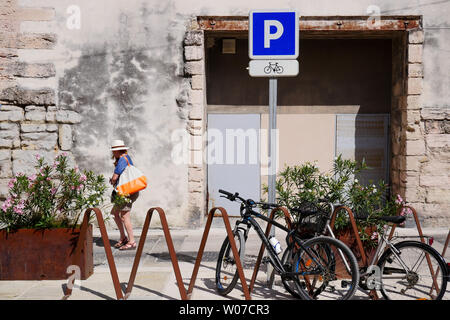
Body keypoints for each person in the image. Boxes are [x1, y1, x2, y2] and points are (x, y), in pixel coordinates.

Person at [109, 139, 139, 250]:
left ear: (118, 151)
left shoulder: (122, 160)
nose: (112, 153)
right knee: (115, 213)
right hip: (126, 192)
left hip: (126, 193)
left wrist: (112, 180)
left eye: (113, 150)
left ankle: (132, 242)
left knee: (125, 217)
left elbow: (115, 177)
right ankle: (123, 237)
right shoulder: (126, 158)